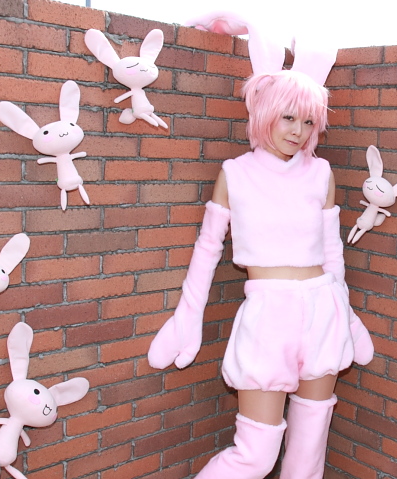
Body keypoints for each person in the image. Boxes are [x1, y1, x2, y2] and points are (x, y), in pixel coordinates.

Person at [148, 14, 373, 479]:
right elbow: (207, 250)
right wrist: (188, 315)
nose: (298, 131)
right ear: (265, 111)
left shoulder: (321, 173)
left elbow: (332, 253)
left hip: (323, 311)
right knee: (255, 454)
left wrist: (347, 313)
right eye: (288, 117)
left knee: (307, 453)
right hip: (268, 316)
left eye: (308, 121)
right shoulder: (235, 174)